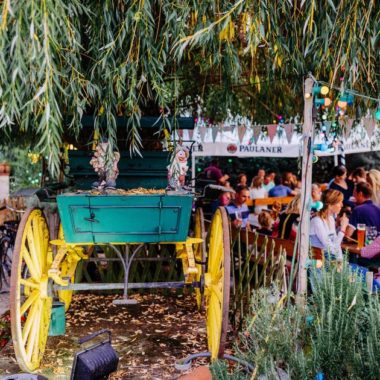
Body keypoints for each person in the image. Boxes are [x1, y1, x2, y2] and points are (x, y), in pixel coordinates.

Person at [310, 190, 349, 261]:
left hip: (330, 262)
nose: (342, 205)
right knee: (366, 271)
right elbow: (332, 250)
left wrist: (341, 263)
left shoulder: (330, 219)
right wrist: (342, 229)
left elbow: (336, 245)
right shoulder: (317, 221)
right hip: (320, 266)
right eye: (339, 202)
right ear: (330, 206)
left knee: (367, 271)